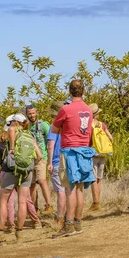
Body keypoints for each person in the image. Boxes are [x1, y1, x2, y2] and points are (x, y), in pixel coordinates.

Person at [50, 80, 95, 238]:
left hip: (69, 151)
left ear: (70, 91)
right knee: (80, 188)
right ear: (83, 91)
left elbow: (55, 129)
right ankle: (78, 222)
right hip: (85, 150)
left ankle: (68, 225)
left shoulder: (66, 109)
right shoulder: (88, 110)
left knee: (69, 188)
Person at [0, 113, 43, 244]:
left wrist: (12, 149)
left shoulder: (12, 130)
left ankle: (0, 232)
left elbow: (11, 130)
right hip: (26, 172)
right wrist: (30, 166)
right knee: (23, 202)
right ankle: (19, 232)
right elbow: (39, 156)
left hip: (10, 170)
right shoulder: (30, 136)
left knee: (3, 201)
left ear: (16, 123)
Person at [26, 104, 54, 216]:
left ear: (36, 113)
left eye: (33, 113)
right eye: (29, 113)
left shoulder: (43, 125)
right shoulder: (26, 126)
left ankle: (49, 205)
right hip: (29, 159)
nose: (32, 115)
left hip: (41, 157)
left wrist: (48, 157)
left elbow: (51, 139)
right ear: (26, 114)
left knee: (42, 181)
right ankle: (35, 208)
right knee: (32, 185)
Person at [87, 103, 113, 212]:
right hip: (103, 154)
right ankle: (98, 202)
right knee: (99, 179)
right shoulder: (102, 125)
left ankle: (95, 202)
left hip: (93, 154)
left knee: (93, 179)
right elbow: (110, 138)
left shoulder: (89, 125)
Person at [46, 101, 66, 231]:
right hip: (68, 160)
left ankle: (60, 217)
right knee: (70, 189)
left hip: (57, 161)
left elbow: (50, 145)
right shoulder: (68, 124)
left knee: (60, 191)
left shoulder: (54, 126)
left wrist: (49, 162)